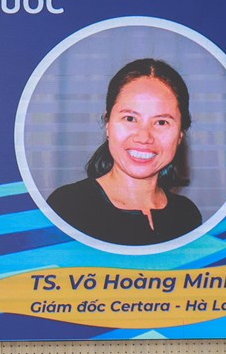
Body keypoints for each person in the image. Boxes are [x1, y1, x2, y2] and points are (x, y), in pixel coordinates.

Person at [48, 58, 202, 245]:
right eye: (130, 118)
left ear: (180, 135)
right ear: (108, 124)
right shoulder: (67, 207)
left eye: (161, 122)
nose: (144, 137)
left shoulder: (187, 215)